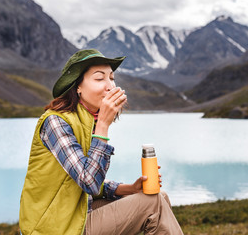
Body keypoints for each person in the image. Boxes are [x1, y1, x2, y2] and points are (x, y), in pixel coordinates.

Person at [19, 49, 183, 235]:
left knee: (159, 196)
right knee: (153, 204)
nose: (110, 86)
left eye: (112, 78)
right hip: (52, 228)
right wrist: (103, 125)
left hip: (74, 214)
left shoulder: (88, 121)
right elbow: (89, 182)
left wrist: (128, 189)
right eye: (99, 78)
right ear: (77, 87)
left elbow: (80, 180)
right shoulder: (55, 122)